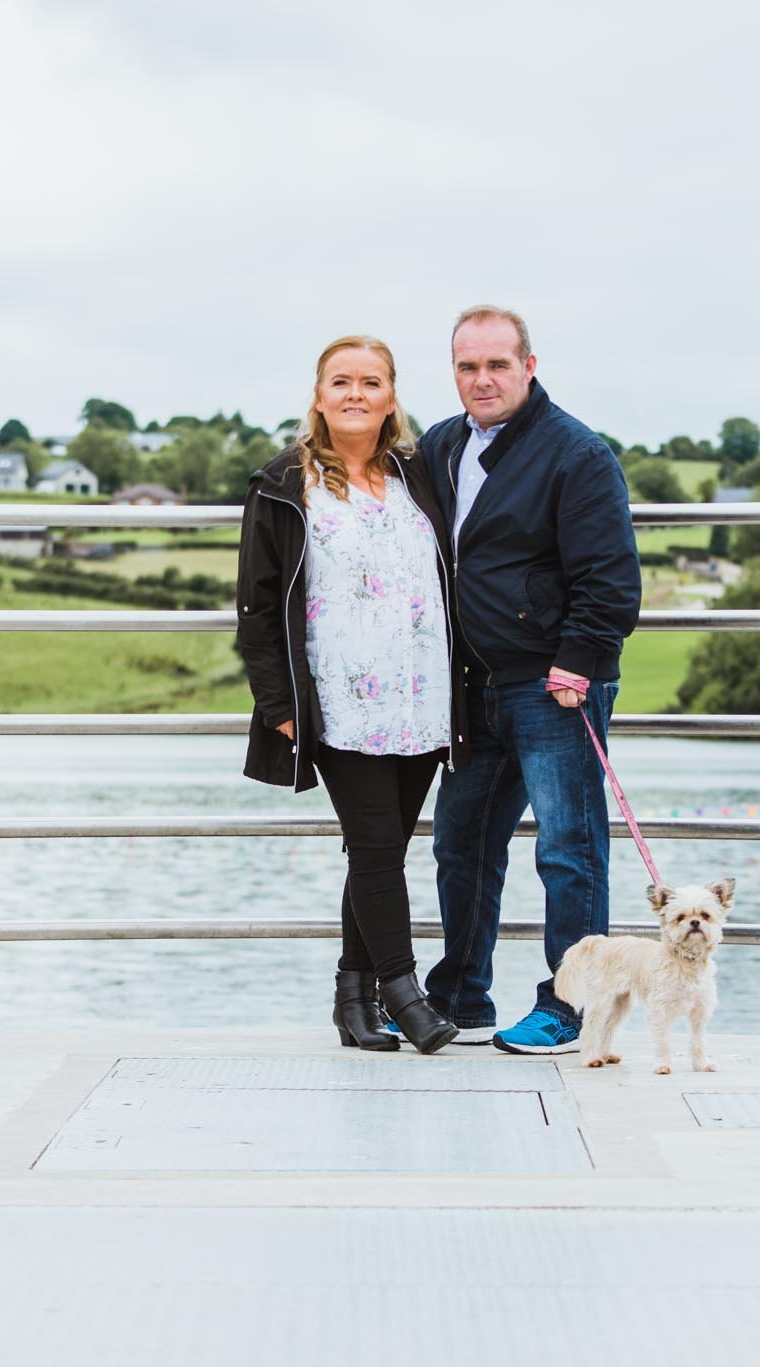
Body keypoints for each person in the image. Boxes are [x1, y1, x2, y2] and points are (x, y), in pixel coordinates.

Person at [420, 306, 641, 1054]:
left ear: (529, 365)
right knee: (462, 843)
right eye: (466, 366)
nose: (481, 379)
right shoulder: (442, 445)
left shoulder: (577, 454)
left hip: (554, 684)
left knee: (569, 849)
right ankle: (457, 996)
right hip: (473, 686)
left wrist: (576, 661)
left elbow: (610, 579)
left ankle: (569, 1006)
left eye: (496, 365)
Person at [236, 334, 464, 1054]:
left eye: (371, 381)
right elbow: (257, 603)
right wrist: (278, 704)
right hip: (338, 699)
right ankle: (403, 990)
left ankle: (351, 997)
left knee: (384, 847)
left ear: (392, 396)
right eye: (342, 381)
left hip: (422, 696)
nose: (356, 393)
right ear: (319, 396)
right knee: (374, 851)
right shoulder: (282, 484)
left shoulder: (417, 475)